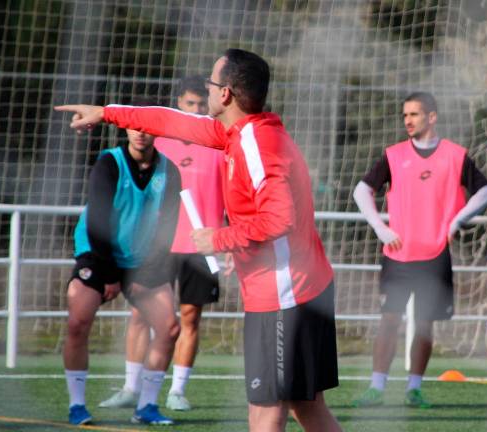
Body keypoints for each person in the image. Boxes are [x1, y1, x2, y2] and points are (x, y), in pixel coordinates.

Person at [55, 48, 342, 432]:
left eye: (210, 82)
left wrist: (219, 238)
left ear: (225, 94)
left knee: (265, 408)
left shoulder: (257, 145)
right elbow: (172, 122)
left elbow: (280, 218)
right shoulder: (241, 133)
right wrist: (108, 112)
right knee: (305, 406)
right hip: (301, 288)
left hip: (285, 294)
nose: (205, 89)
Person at [351, 92, 487, 409]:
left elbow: (486, 191)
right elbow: (362, 190)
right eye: (405, 115)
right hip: (397, 255)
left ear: (432, 117)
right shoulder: (393, 155)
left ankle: (414, 389)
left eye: (414, 114)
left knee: (425, 324)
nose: (408, 121)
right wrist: (381, 228)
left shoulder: (456, 156)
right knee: (389, 320)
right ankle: (377, 387)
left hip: (435, 255)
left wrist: (457, 220)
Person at [99, 76, 224, 412]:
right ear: (178, 106)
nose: (197, 111)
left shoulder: (220, 145)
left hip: (201, 246)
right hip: (158, 245)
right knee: (140, 314)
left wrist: (228, 238)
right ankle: (130, 387)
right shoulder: (159, 145)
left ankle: (178, 390)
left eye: (201, 105)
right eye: (189, 104)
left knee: (189, 317)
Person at [62, 96, 182, 426]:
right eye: (133, 124)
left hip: (141, 259)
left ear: (157, 130)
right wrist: (112, 275)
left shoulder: (169, 171)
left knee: (170, 328)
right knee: (77, 323)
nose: (140, 132)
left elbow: (168, 228)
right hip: (98, 252)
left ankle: (146, 407)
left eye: (146, 125)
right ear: (124, 126)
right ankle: (76, 406)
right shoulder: (109, 163)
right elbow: (99, 221)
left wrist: (148, 271)